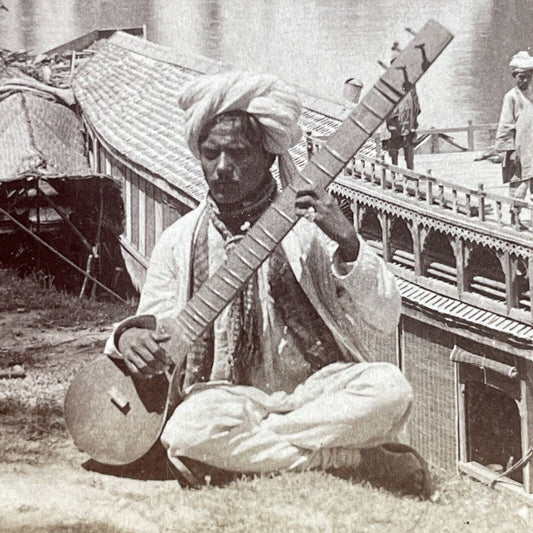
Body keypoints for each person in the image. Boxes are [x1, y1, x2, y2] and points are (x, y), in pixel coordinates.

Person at [105, 70, 431, 498]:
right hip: (227, 400)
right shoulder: (179, 240)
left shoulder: (309, 231)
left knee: (391, 388)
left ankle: (251, 453)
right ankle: (347, 458)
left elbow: (386, 317)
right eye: (210, 154)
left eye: (237, 153)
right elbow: (154, 323)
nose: (222, 168)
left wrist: (349, 242)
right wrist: (130, 336)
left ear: (268, 154)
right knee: (186, 430)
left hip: (319, 392)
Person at [481, 51, 533, 199]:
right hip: (518, 149)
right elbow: (506, 125)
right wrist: (510, 150)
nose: (524, 81)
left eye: (528, 77)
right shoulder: (512, 97)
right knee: (517, 185)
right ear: (515, 77)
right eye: (520, 77)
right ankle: (514, 218)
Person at [381, 47, 421, 170]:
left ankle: (411, 173)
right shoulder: (388, 82)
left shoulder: (410, 83)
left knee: (409, 149)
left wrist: (414, 119)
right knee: (394, 149)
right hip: (394, 123)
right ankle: (394, 172)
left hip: (408, 122)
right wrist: (390, 122)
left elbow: (416, 102)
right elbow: (384, 105)